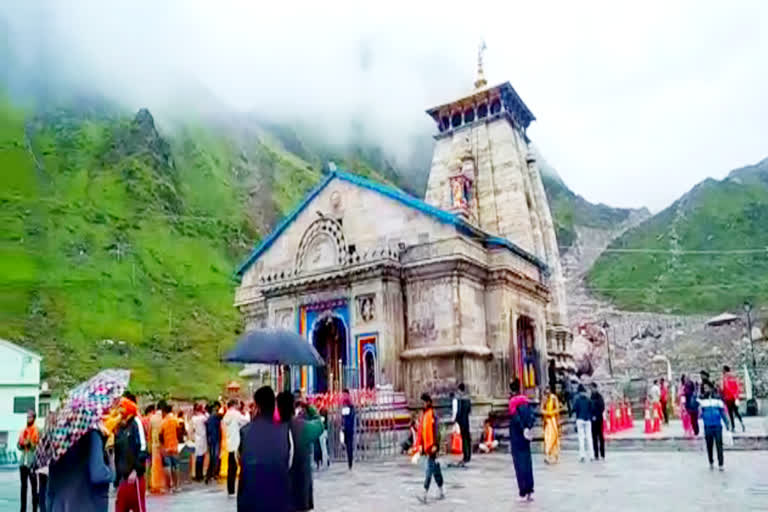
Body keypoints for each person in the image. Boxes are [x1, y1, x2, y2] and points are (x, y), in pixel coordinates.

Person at [237, 386, 293, 512]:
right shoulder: (285, 431)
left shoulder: (245, 432)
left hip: (250, 499)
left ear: (256, 406)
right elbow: (288, 462)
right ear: (274, 406)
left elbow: (240, 460)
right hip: (279, 497)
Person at [47, 422, 114, 512]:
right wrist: (112, 467)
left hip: (59, 506)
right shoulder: (92, 435)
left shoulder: (56, 437)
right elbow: (98, 475)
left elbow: (50, 490)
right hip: (86, 505)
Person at [278, 392, 324, 511]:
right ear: (294, 407)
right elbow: (319, 424)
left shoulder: (272, 428)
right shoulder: (302, 427)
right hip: (300, 489)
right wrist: (309, 406)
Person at [114, 397, 148, 512]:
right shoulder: (118, 427)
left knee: (138, 507)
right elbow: (117, 452)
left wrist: (136, 470)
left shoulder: (136, 423)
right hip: (123, 478)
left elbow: (143, 447)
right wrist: (117, 478)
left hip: (135, 478)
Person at [415, 393, 444, 504]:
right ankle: (441, 490)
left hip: (432, 447)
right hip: (428, 447)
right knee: (436, 471)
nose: (423, 404)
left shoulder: (432, 415)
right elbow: (422, 432)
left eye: (424, 402)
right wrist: (421, 445)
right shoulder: (424, 415)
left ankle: (424, 493)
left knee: (429, 470)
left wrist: (436, 445)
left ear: (429, 402)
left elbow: (437, 431)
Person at [508, 380, 534, 502]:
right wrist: (528, 427)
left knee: (519, 464)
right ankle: (530, 489)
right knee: (527, 463)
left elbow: (516, 419)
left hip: (517, 438)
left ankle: (523, 489)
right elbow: (532, 417)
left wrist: (522, 428)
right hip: (526, 438)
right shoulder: (526, 402)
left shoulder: (513, 404)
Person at [699, 382, 730, 470]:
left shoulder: (718, 398)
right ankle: (711, 461)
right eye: (704, 388)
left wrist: (727, 422)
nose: (705, 390)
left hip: (717, 425)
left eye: (707, 388)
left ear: (711, 388)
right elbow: (699, 413)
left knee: (719, 445)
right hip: (707, 426)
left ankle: (721, 464)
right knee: (709, 445)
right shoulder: (702, 399)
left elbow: (722, 412)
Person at [223, 400, 250, 496]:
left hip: (230, 444)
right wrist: (246, 412)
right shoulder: (236, 414)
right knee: (241, 466)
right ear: (234, 405)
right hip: (238, 443)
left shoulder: (226, 415)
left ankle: (230, 489)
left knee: (231, 468)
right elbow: (246, 421)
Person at [18, 409, 39, 512]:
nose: (28, 419)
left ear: (34, 418)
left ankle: (35, 509)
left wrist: (30, 443)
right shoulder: (23, 430)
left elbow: (38, 446)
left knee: (34, 487)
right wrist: (21, 444)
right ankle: (22, 509)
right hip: (23, 462)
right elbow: (18, 445)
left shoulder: (37, 430)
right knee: (23, 487)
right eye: (27, 417)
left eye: (30, 417)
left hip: (32, 462)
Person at [159, 402, 180, 493]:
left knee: (167, 467)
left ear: (164, 412)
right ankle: (176, 485)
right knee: (176, 467)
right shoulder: (175, 420)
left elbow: (160, 435)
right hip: (175, 446)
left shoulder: (163, 422)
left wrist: (162, 446)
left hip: (167, 447)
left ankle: (169, 486)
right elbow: (179, 431)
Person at [572, 384, 594, 462]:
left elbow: (574, 410)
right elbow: (592, 409)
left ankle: (582, 456)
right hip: (587, 419)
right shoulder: (588, 400)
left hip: (580, 419)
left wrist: (574, 421)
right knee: (589, 437)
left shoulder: (577, 400)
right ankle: (591, 455)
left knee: (581, 438)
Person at [452, 383, 472, 466]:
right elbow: (469, 410)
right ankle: (468, 456)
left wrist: (455, 420)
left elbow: (457, 411)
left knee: (464, 439)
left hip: (461, 421)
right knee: (467, 438)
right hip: (466, 420)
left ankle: (465, 456)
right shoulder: (467, 398)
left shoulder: (458, 399)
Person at [721, 366, 745, 432]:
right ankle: (742, 423)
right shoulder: (734, 377)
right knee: (736, 412)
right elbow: (737, 387)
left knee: (730, 413)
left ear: (725, 370)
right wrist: (736, 396)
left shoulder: (725, 378)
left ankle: (733, 427)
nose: (722, 371)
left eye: (723, 370)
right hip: (734, 397)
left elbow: (726, 387)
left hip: (728, 397)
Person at [148, 401, 165, 493]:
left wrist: (149, 444)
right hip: (163, 444)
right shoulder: (164, 417)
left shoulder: (152, 418)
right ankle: (164, 484)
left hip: (154, 444)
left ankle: (155, 484)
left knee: (155, 466)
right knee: (164, 465)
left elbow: (149, 432)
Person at [205, 402, 223, 483]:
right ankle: (212, 474)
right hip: (215, 439)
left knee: (213, 457)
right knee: (215, 457)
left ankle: (210, 475)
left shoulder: (209, 418)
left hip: (211, 439)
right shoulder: (216, 416)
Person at [541, 391, 560, 464]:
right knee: (547, 438)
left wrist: (551, 413)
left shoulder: (554, 398)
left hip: (553, 420)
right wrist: (546, 412)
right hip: (547, 421)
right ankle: (547, 455)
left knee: (554, 437)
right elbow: (541, 409)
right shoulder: (544, 399)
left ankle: (554, 456)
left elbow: (557, 409)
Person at [190, 402, 208, 482]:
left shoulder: (194, 419)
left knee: (198, 456)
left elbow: (191, 430)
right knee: (201, 456)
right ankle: (200, 474)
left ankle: (198, 474)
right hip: (203, 437)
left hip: (197, 438)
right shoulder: (203, 418)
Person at [590, 383, 606, 460]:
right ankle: (596, 454)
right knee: (594, 438)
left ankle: (602, 453)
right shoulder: (591, 397)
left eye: (593, 388)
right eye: (591, 388)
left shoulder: (600, 397)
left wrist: (596, 415)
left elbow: (602, 407)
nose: (592, 390)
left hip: (599, 419)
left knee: (601, 437)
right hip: (592, 420)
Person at [340, 389, 355, 470]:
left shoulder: (350, 406)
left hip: (349, 429)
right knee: (346, 445)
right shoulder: (343, 405)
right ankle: (349, 460)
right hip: (344, 429)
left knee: (349, 446)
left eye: (345, 395)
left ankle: (350, 462)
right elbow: (343, 417)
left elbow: (351, 416)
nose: (344, 396)